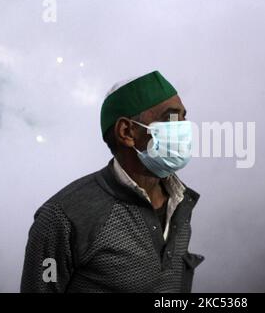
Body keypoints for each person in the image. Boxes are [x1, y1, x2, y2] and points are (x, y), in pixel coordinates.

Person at [20, 71, 204, 292]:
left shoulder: (181, 202)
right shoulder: (64, 217)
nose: (185, 128)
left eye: (184, 117)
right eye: (172, 118)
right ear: (127, 132)